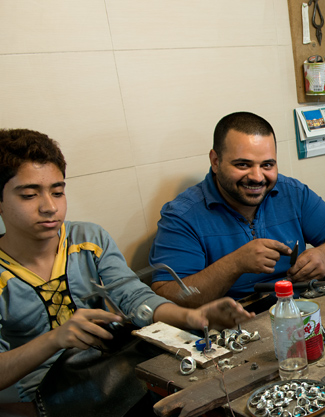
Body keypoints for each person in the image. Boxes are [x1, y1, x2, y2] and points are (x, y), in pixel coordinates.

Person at [0, 129, 254, 401]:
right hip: (36, 403)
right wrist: (54, 340)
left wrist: (191, 316)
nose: (49, 207)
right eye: (29, 195)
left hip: (102, 379)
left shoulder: (88, 240)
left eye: (58, 192)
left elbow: (134, 297)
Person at [149, 112, 325, 307]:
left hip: (299, 307)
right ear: (215, 161)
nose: (257, 177)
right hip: (233, 326)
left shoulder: (291, 193)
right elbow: (169, 297)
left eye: (267, 165)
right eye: (243, 165)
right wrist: (235, 264)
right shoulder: (182, 217)